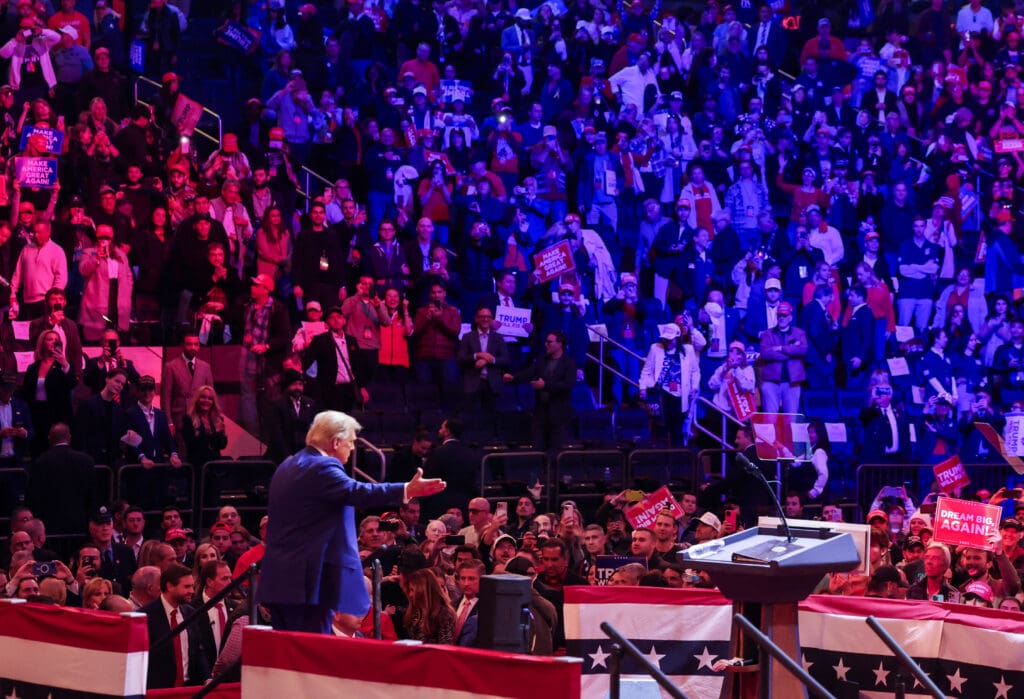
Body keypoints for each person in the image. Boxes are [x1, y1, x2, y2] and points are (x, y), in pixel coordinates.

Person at [259, 410, 446, 634]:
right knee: (310, 657)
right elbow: (357, 491)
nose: (353, 448)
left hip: (280, 581)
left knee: (287, 658)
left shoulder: (287, 466)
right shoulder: (322, 466)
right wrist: (407, 489)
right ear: (336, 441)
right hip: (308, 584)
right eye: (350, 442)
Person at [503, 331, 577, 451]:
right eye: (545, 341)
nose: (545, 344)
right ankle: (540, 469)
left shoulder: (569, 363)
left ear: (560, 344)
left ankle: (553, 469)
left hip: (558, 411)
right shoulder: (542, 360)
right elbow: (529, 372)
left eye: (549, 342)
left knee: (555, 447)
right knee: (538, 446)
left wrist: (545, 385)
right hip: (541, 411)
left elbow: (567, 385)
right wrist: (513, 377)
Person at [142, 563, 210, 689]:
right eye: (187, 587)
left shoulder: (190, 612)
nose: (192, 591)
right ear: (169, 586)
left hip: (188, 689)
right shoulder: (146, 616)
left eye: (192, 586)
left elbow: (198, 650)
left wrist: (207, 677)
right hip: (159, 691)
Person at [638, 324, 700, 447]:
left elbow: (695, 371)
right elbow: (647, 370)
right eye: (666, 339)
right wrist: (643, 388)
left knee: (677, 431)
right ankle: (661, 461)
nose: (668, 342)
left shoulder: (688, 350)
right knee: (660, 430)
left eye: (671, 339)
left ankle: (677, 461)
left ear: (677, 338)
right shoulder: (655, 348)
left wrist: (694, 387)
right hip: (661, 394)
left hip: (680, 396)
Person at [161, 333, 214, 437]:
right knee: (183, 452)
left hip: (200, 419)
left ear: (199, 346)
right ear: (182, 345)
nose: (193, 347)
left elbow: (211, 395)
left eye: (196, 344)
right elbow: (166, 398)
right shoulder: (171, 367)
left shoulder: (205, 367)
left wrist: (211, 420)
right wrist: (169, 422)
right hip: (179, 420)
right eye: (189, 344)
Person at [404, 568, 457, 644]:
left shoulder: (444, 615)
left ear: (422, 590)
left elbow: (444, 649)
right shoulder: (414, 611)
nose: (410, 594)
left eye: (412, 590)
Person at [180, 386, 228, 469]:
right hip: (197, 467)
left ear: (213, 402)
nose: (207, 401)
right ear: (197, 399)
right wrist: (213, 432)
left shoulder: (218, 419)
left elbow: (222, 445)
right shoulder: (188, 419)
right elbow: (192, 445)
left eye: (210, 398)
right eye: (203, 397)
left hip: (215, 467)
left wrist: (221, 434)